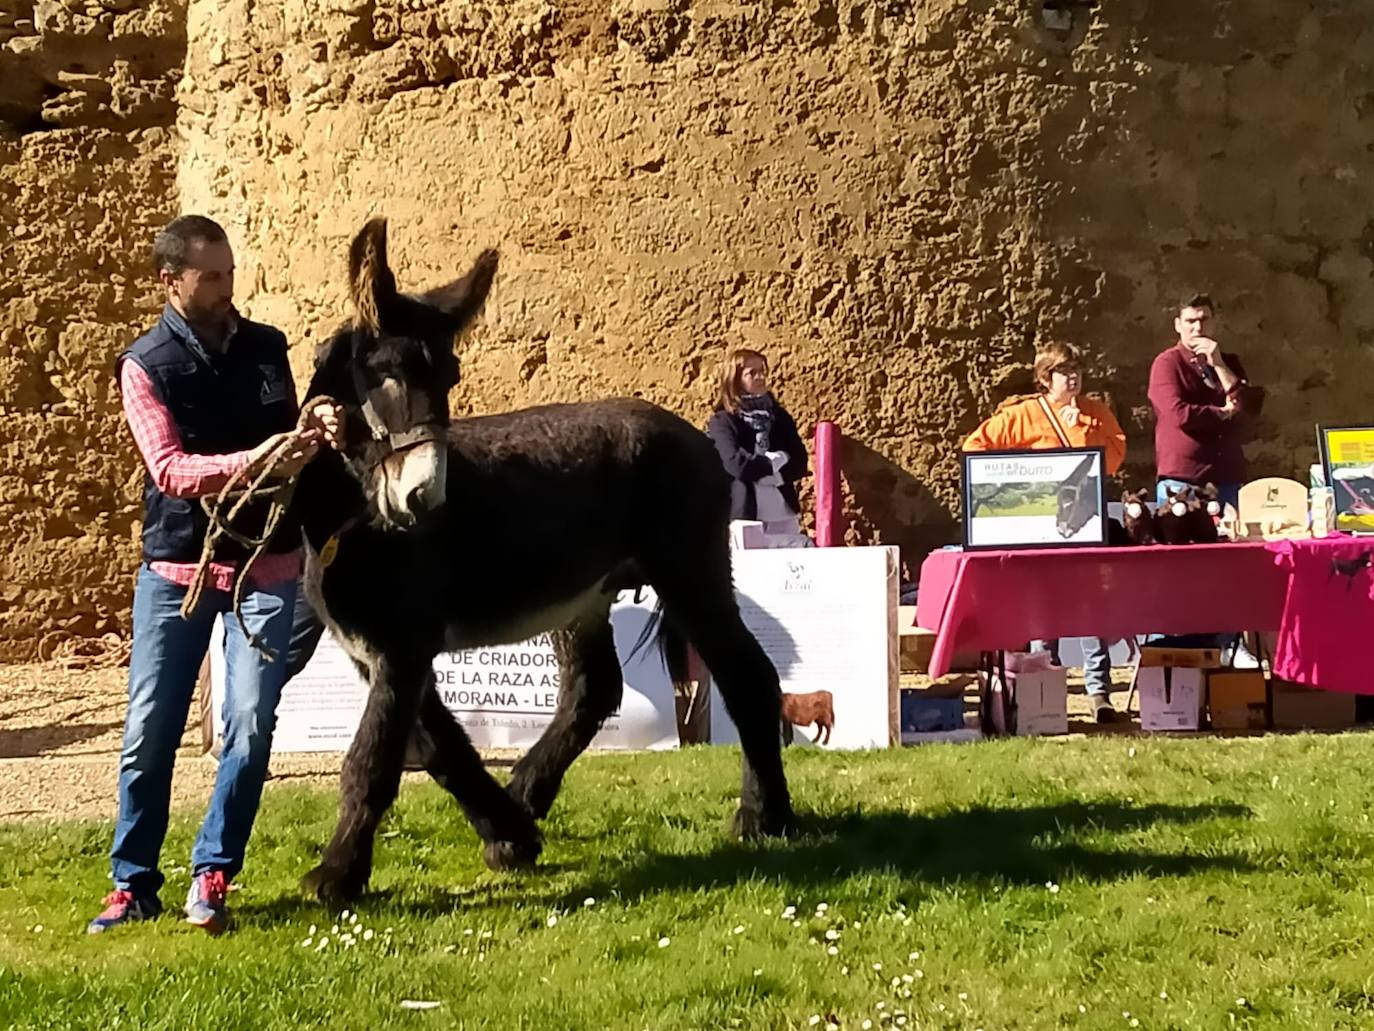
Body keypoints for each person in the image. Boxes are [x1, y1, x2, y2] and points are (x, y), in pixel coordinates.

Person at [89, 215, 340, 935]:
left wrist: (313, 438)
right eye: (213, 276)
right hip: (179, 572)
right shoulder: (144, 364)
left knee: (252, 724)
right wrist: (257, 459)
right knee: (150, 731)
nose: (230, 287)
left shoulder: (267, 348)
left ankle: (213, 872)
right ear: (172, 282)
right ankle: (132, 881)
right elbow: (169, 470)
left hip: (269, 561)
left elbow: (292, 434)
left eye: (231, 271)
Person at [962, 341, 1127, 723]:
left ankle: (1099, 693)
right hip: (1039, 526)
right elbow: (975, 446)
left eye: (1078, 370)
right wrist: (1017, 484)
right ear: (1045, 377)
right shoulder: (1022, 415)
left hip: (1084, 523)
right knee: (1044, 608)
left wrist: (1082, 429)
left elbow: (1113, 459)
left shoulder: (1095, 413)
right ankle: (1045, 690)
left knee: (1089, 607)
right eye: (1065, 371)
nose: (1073, 378)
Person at [1147, 292, 1260, 515]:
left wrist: (1218, 365)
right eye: (1190, 321)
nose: (1198, 328)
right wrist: (1223, 413)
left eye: (1204, 320)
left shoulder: (1229, 362)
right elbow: (1178, 414)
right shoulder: (1167, 363)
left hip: (1226, 478)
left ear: (1214, 323)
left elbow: (1249, 408)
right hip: (1184, 479)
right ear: (1178, 325)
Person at [706, 347, 812, 547]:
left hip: (782, 511)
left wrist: (776, 477)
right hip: (746, 512)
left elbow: (799, 461)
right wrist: (774, 462)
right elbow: (736, 465)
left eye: (762, 371)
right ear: (735, 380)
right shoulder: (723, 421)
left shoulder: (779, 417)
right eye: (751, 373)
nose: (760, 377)